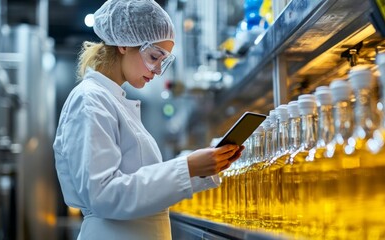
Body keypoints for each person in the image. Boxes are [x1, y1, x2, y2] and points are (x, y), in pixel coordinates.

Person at [52, 0, 244, 239]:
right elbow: (104, 195)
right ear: (123, 44)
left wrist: (201, 169)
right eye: (154, 56)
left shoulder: (114, 101)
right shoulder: (90, 100)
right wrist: (188, 167)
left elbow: (142, 188)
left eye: (163, 62)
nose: (157, 70)